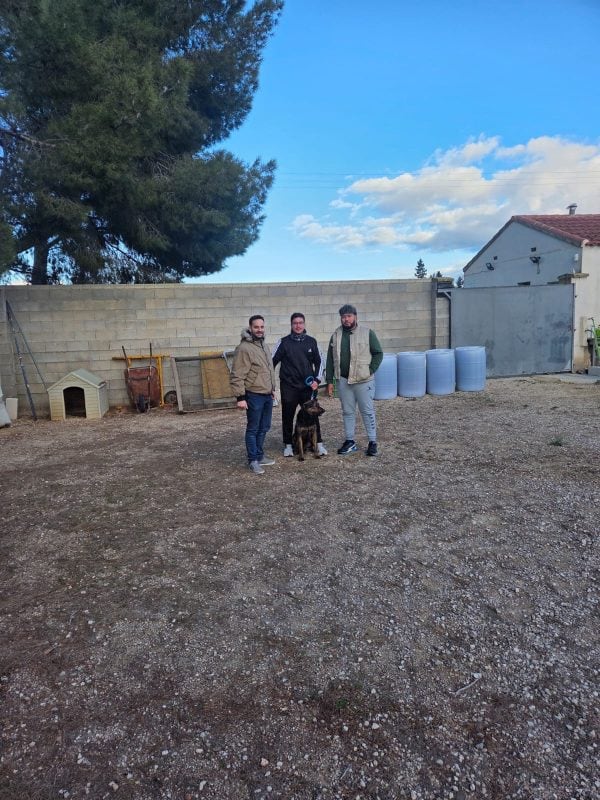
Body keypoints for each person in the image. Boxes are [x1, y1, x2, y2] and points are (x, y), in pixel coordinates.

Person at [325, 304, 383, 456]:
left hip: (363, 381)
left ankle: (372, 442)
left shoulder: (367, 333)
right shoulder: (336, 335)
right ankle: (350, 441)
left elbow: (378, 353)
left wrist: (369, 370)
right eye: (343, 317)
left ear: (355, 316)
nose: (346, 319)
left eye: (349, 316)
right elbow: (330, 359)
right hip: (343, 381)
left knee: (367, 411)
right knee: (348, 412)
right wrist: (329, 381)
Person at [272, 312, 327, 457]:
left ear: (304, 324)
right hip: (288, 387)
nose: (298, 325)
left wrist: (317, 380)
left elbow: (320, 362)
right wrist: (268, 383)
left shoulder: (312, 342)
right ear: (291, 325)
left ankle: (319, 444)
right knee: (287, 416)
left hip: (307, 388)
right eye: (295, 323)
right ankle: (288, 445)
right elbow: (271, 362)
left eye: (300, 322)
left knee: (313, 415)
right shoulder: (283, 342)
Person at [230, 315, 277, 474]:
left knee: (264, 427)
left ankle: (259, 454)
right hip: (254, 395)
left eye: (262, 327)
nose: (259, 329)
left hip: (266, 394)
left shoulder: (264, 345)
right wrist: (240, 398)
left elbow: (269, 370)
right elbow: (237, 374)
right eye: (256, 327)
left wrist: (273, 389)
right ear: (250, 328)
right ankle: (253, 460)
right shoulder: (244, 348)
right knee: (253, 428)